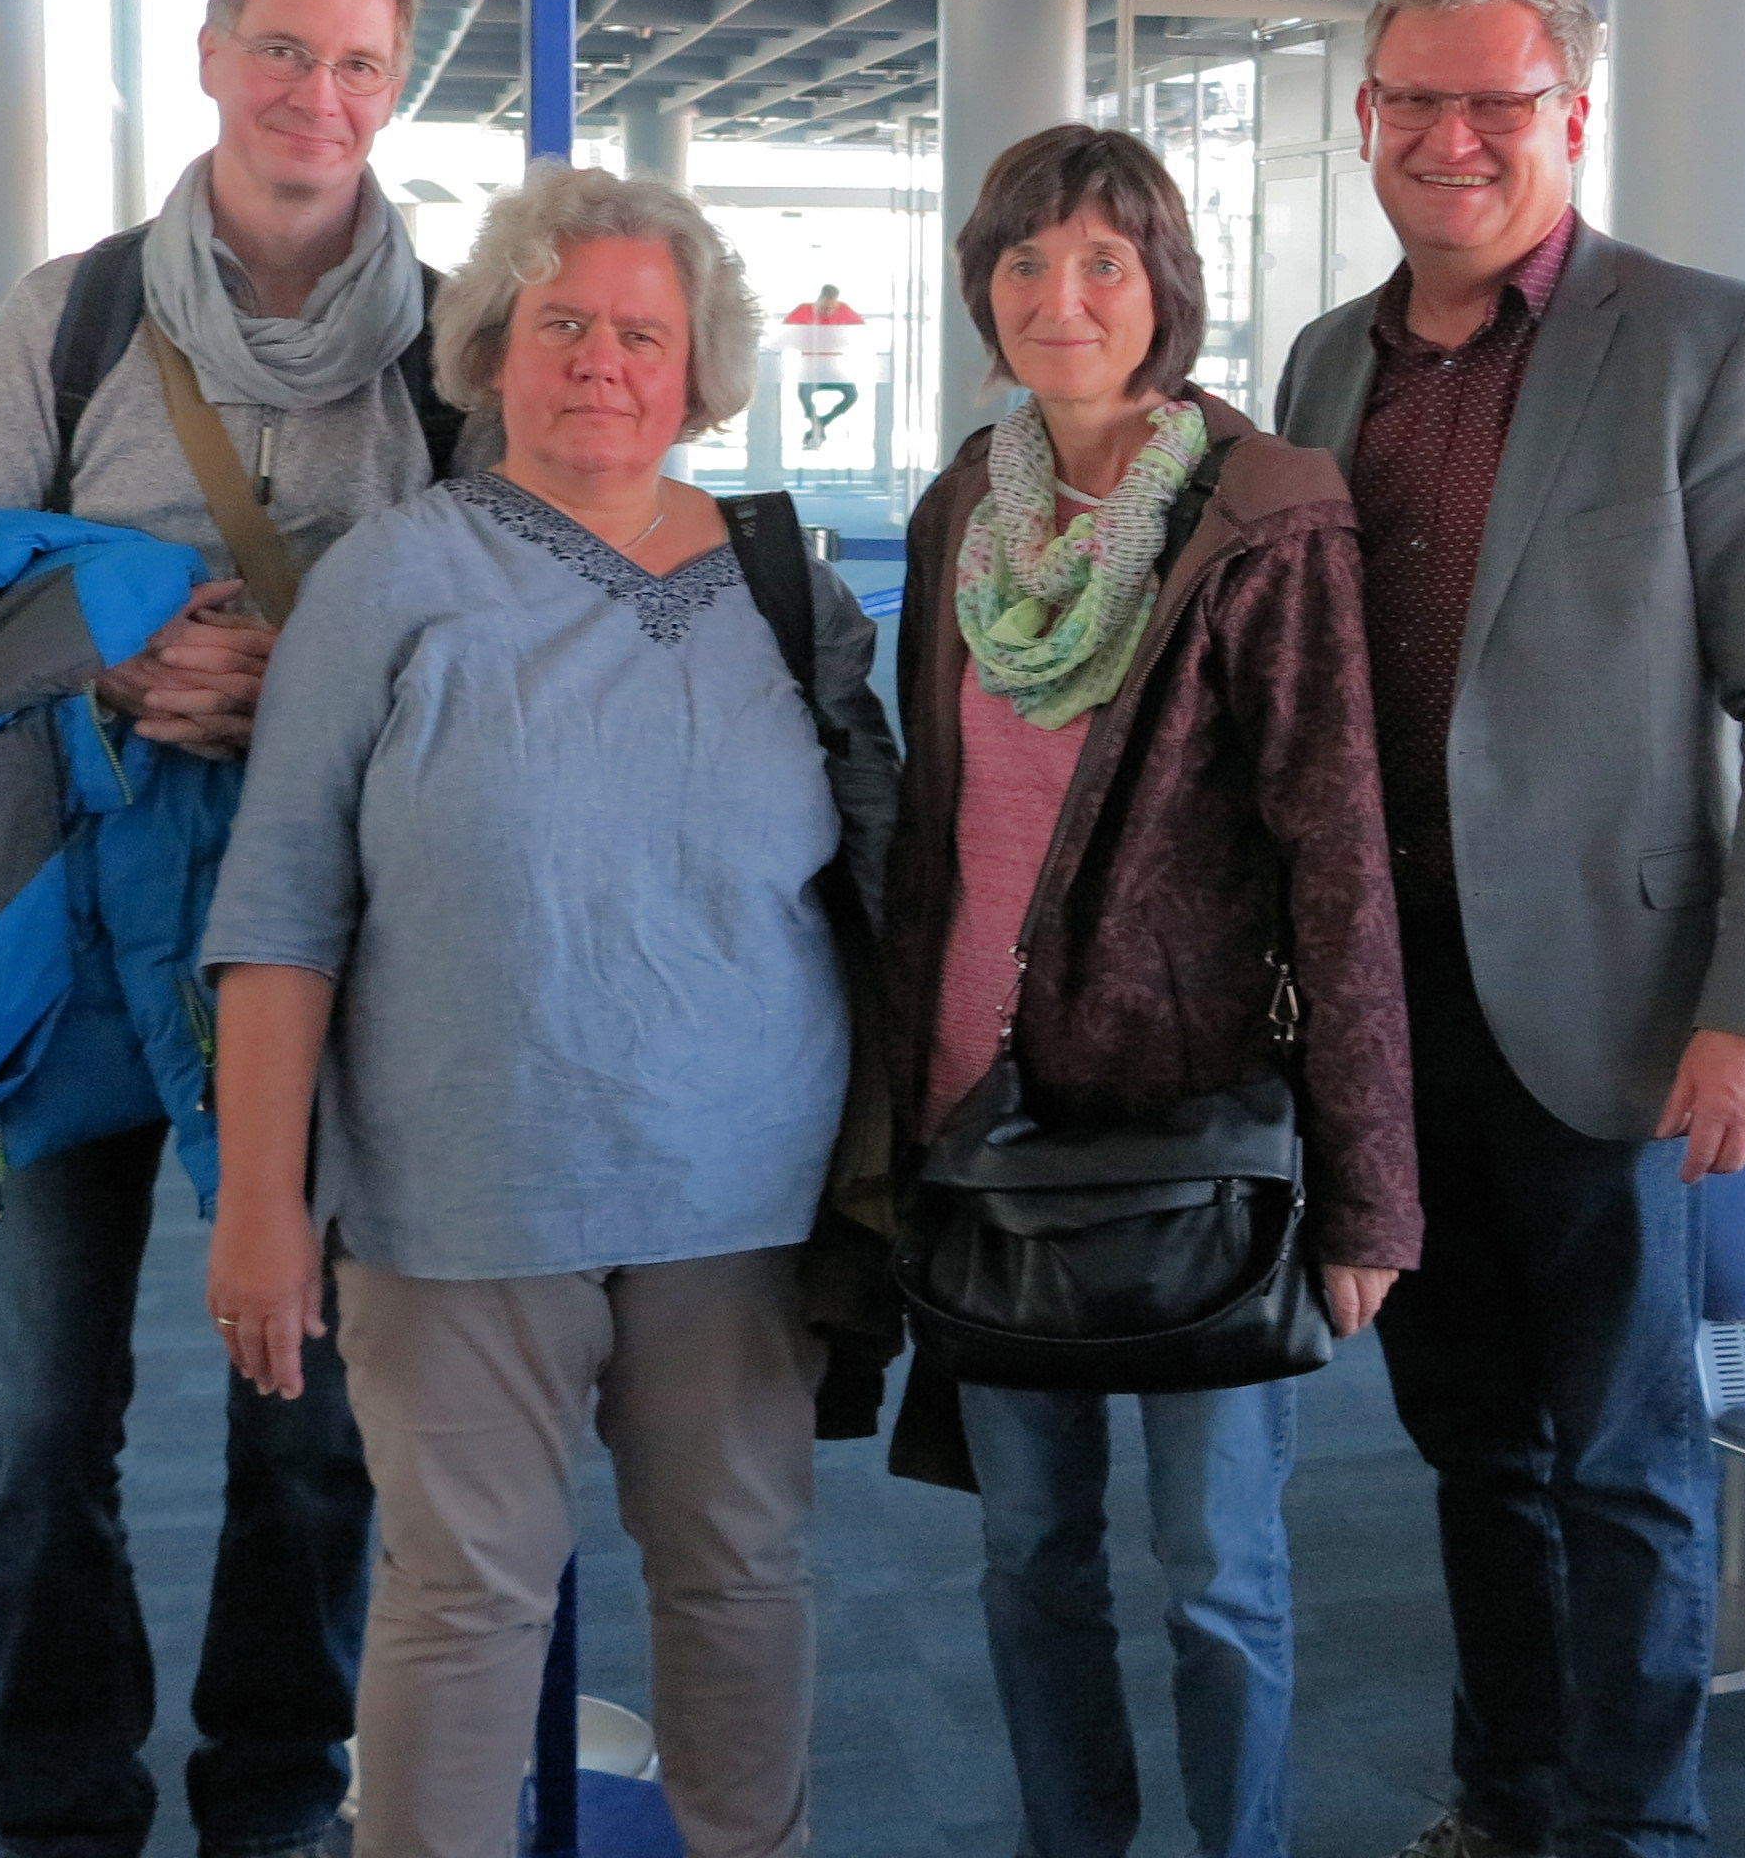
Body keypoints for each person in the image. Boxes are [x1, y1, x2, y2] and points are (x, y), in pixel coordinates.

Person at [196, 165, 894, 1858]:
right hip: (462, 1198)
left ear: (699, 368)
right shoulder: (388, 579)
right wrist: (260, 1203)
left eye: (641, 333)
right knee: (463, 1599)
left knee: (742, 1575)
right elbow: (280, 908)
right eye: (560, 322)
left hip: (739, 1195)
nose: (599, 360)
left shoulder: (785, 589)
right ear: (491, 350)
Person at [1273, 0, 1745, 1858]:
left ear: (1570, 117)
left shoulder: (1702, 336)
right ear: (1366, 116)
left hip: (1613, 1005)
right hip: (1388, 1008)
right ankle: (1506, 1799)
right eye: (1414, 102)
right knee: (1470, 1447)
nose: (1451, 139)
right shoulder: (1327, 361)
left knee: (1621, 1460)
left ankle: (1633, 1830)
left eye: (1495, 103)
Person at [0, 0, 455, 1858]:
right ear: (216, 55)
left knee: (310, 1418)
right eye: (285, 50)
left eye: (359, 63)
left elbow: (496, 628)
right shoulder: (71, 319)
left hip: (327, 942)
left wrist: (308, 680)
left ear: (394, 90)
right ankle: (63, 1802)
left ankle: (274, 1792)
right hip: (68, 926)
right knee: (40, 1421)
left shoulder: (453, 346)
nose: (318, 95)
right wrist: (122, 659)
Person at [884, 125, 1416, 1858]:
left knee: (1216, 1573)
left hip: (1200, 1137)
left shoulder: (1264, 514)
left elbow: (1339, 859)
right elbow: (930, 828)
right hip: (985, 1119)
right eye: (1025, 261)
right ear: (983, 289)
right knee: (1027, 1551)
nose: (1062, 297)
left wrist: (1369, 1189)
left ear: (1165, 287)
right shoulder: (963, 514)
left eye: (1103, 260)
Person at [785, 282, 867, 450]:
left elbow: (861, 332)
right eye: (824, 308)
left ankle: (820, 424)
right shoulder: (804, 310)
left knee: (851, 395)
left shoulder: (843, 309)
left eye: (831, 309)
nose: (828, 312)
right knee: (804, 394)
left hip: (833, 364)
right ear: (819, 300)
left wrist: (843, 338)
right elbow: (787, 333)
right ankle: (817, 426)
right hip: (810, 364)